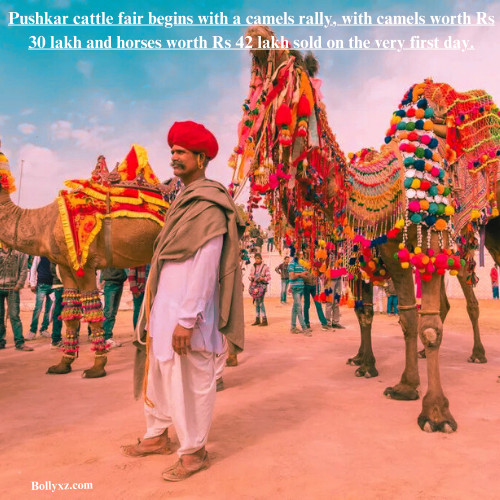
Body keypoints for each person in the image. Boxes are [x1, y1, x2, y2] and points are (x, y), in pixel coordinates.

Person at [122, 120, 245, 482]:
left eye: (181, 152)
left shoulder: (207, 204)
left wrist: (187, 318)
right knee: (160, 375)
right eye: (172, 150)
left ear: (201, 158)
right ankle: (156, 435)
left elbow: (207, 265)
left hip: (190, 315)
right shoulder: (181, 202)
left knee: (190, 382)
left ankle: (194, 452)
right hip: (165, 310)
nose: (174, 157)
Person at [0, 245, 33, 351]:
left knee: (14, 316)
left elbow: (23, 270)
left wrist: (18, 285)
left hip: (12, 288)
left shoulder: (19, 253)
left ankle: (19, 342)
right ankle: (1, 341)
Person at [27, 256, 53, 340]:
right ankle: (32, 331)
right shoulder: (39, 255)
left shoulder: (54, 256)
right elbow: (33, 268)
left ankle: (44, 329)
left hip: (53, 286)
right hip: (42, 285)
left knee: (49, 310)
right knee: (38, 308)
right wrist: (32, 283)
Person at [101, 267, 128, 348]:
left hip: (119, 282)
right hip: (111, 282)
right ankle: (106, 337)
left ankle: (108, 337)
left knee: (113, 312)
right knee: (109, 311)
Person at [288, 251, 311, 336]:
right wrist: (301, 274)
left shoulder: (301, 263)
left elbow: (306, 274)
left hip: (300, 287)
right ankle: (304, 328)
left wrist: (300, 274)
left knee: (295, 308)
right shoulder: (291, 264)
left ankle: (293, 327)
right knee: (298, 308)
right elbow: (292, 276)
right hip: (295, 288)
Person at [248, 253, 271, 326]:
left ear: (261, 259)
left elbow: (269, 277)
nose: (257, 260)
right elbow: (251, 275)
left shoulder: (265, 267)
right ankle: (257, 319)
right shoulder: (253, 267)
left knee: (260, 302)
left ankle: (264, 319)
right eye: (256, 258)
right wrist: (251, 278)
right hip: (254, 287)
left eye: (258, 258)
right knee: (256, 303)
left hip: (262, 287)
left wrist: (263, 278)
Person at [129, 265, 150, 330]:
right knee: (138, 311)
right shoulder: (138, 259)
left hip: (150, 290)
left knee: (149, 312)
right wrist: (134, 289)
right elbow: (131, 275)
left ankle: (144, 332)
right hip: (140, 289)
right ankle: (137, 332)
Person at [49, 262, 64, 349]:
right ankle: (55, 339)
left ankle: (73, 336)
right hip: (60, 285)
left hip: (69, 285)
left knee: (73, 311)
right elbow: (54, 269)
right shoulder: (55, 254)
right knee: (58, 313)